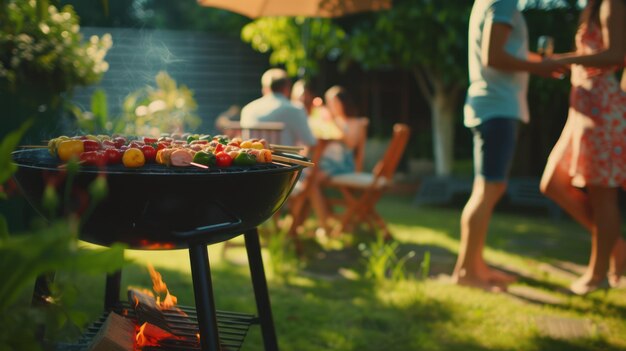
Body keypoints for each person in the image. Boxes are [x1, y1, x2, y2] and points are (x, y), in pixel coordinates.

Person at [452, 0, 567, 291]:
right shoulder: (502, 2)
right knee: (489, 188)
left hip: (492, 105)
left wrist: (541, 63)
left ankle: (475, 265)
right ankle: (466, 272)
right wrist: (538, 68)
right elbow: (494, 57)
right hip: (497, 107)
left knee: (490, 187)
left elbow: (505, 51)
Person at [539, 0, 626, 295]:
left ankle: (596, 275)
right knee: (553, 183)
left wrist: (567, 59)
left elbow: (616, 54)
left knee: (603, 195)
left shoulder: (613, 3)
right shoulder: (595, 5)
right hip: (582, 108)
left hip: (601, 109)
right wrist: (566, 60)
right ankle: (616, 247)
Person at [240, 68, 316, 148]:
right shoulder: (295, 109)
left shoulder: (247, 109)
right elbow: (310, 141)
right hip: (284, 160)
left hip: (252, 158)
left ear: (265, 89)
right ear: (287, 88)